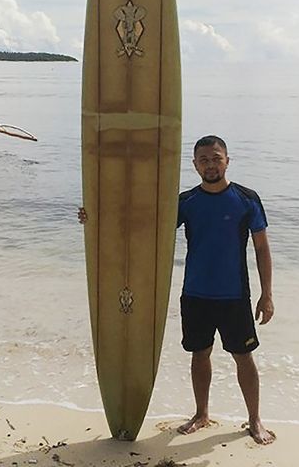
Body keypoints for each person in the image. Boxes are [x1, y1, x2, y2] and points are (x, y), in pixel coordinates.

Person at [78, 135, 275, 445]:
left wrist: (267, 294)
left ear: (227, 160)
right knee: (200, 354)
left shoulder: (246, 199)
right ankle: (201, 413)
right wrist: (95, 218)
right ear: (195, 165)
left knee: (244, 356)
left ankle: (254, 419)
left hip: (234, 295)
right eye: (204, 160)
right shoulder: (185, 202)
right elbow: (143, 228)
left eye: (216, 158)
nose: (211, 164)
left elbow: (262, 248)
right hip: (195, 294)